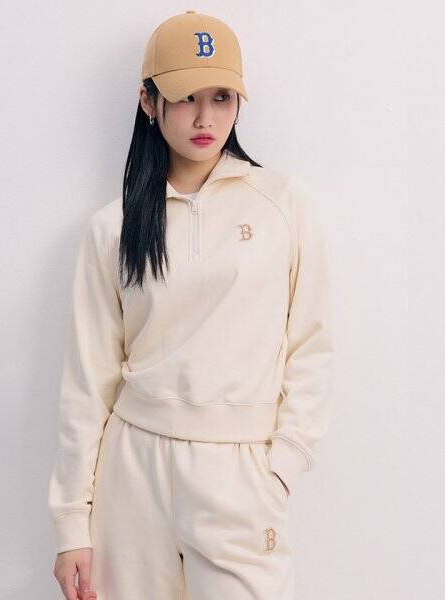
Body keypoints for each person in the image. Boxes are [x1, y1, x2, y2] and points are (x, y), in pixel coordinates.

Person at [48, 10, 334, 600]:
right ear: (148, 102)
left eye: (222, 97)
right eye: (185, 98)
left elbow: (313, 344)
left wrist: (282, 465)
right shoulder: (114, 228)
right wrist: (73, 523)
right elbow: (89, 381)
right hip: (132, 471)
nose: (206, 119)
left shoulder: (283, 204)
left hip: (240, 471)